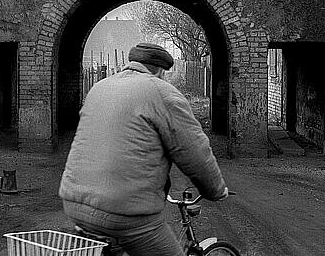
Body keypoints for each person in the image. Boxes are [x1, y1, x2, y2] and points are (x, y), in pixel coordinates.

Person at [59, 42, 228, 256]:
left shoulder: (99, 87)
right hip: (126, 213)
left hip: (74, 204)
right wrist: (215, 190)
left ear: (133, 63)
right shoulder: (163, 93)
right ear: (159, 70)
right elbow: (195, 153)